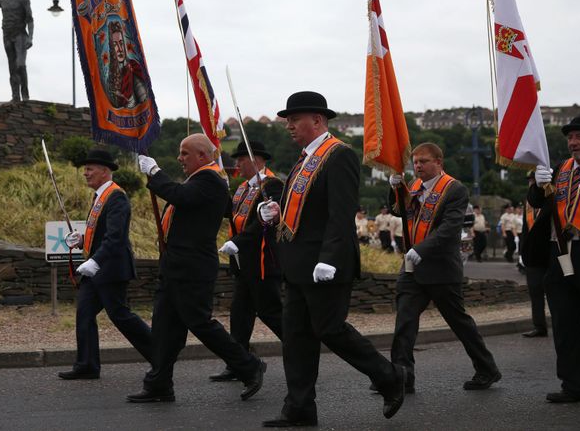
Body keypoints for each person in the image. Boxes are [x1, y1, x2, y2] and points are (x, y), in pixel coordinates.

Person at [258, 91, 406, 427]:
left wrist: (329, 257)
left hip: (324, 264)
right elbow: (304, 212)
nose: (289, 126)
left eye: (295, 120)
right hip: (297, 263)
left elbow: (341, 214)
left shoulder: (339, 155)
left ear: (318, 120)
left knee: (330, 329)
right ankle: (299, 407)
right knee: (296, 338)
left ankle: (388, 376)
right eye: (288, 121)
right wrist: (272, 214)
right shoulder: (302, 159)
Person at [129, 134, 266, 403]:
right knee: (165, 328)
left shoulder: (209, 180)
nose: (180, 158)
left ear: (202, 156)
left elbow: (179, 196)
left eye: (184, 153)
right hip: (176, 265)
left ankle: (249, 365)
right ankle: (159, 383)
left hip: (192, 266)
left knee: (200, 323)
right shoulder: (201, 179)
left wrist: (155, 172)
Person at [387, 142, 500, 394]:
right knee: (405, 321)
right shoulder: (414, 186)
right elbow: (399, 212)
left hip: (440, 268)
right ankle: (402, 375)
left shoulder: (454, 189)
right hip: (413, 268)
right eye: (415, 162)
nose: (418, 166)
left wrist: (421, 249)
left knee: (459, 322)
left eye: (424, 161)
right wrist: (394, 188)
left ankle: (487, 368)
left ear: (439, 162)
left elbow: (450, 228)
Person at [529, 116, 580, 403]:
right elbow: (539, 203)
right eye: (570, 138)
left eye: (579, 137)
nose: (573, 143)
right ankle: (576, 386)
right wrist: (538, 185)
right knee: (566, 327)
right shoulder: (562, 170)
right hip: (561, 257)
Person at [58, 149, 152, 380]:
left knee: (120, 315)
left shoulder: (116, 196)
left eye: (90, 169)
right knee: (84, 313)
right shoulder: (101, 196)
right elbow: (101, 234)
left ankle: (160, 352)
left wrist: (95, 261)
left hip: (110, 268)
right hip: (98, 267)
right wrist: (81, 240)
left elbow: (116, 237)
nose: (85, 173)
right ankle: (87, 365)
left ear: (105, 171)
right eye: (85, 169)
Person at [210, 140, 284, 382]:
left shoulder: (271, 185)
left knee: (270, 312)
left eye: (241, 159)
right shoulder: (243, 188)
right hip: (243, 263)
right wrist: (219, 190)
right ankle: (238, 363)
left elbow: (263, 221)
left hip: (262, 261)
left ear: (257, 160)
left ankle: (301, 348)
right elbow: (229, 214)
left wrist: (238, 242)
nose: (237, 164)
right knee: (239, 314)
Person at [519, 173, 549, 339]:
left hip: (549, 253)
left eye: (534, 180)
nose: (531, 183)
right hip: (532, 255)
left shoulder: (550, 196)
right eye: (530, 180)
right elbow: (525, 227)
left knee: (554, 293)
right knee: (535, 293)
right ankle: (539, 326)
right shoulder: (528, 200)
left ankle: (561, 324)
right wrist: (522, 250)